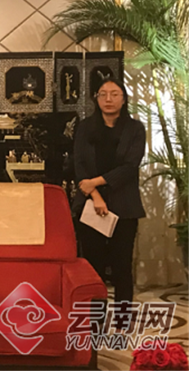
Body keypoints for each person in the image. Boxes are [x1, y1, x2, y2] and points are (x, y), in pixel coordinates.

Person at [73, 77, 146, 305]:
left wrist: (94, 182)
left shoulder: (135, 129)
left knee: (121, 267)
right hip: (90, 206)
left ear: (123, 99)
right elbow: (79, 165)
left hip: (125, 207)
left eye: (115, 94)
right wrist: (95, 196)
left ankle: (123, 320)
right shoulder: (85, 127)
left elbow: (130, 167)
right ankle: (96, 321)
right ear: (96, 98)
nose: (108, 99)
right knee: (93, 268)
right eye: (103, 94)